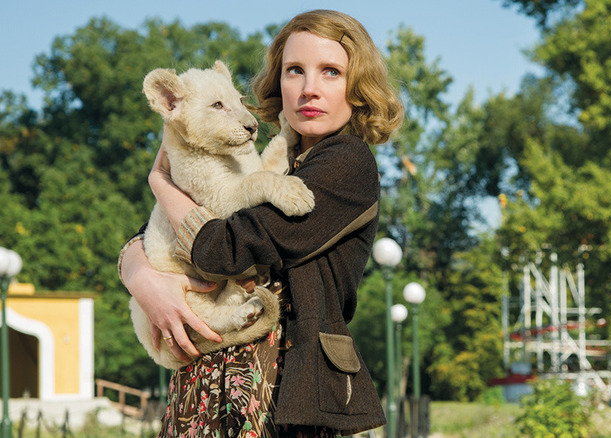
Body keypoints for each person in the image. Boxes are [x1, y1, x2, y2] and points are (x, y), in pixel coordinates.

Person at [118, 9, 403, 437]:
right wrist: (139, 273)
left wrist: (159, 181)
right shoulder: (256, 158)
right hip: (203, 386)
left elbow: (225, 251)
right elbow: (158, 235)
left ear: (356, 85)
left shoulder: (347, 163)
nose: (310, 89)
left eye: (330, 72)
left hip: (282, 391)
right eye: (294, 71)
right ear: (279, 82)